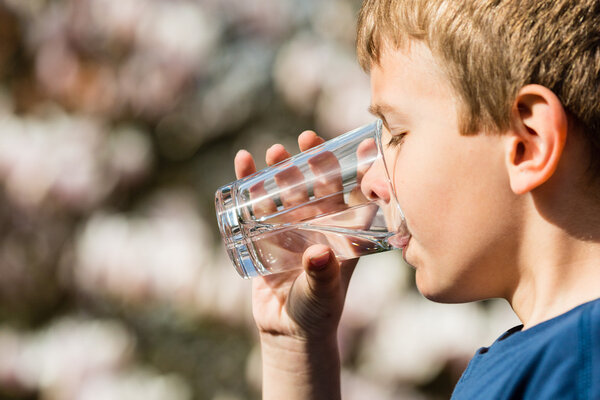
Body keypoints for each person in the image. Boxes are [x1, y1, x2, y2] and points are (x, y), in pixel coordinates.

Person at [233, 0, 600, 398]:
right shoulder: (554, 361)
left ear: (527, 145)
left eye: (396, 135)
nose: (371, 182)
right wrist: (294, 346)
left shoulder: (562, 373)